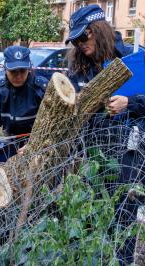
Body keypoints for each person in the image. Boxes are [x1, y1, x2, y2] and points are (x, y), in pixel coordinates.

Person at [65, 5, 145, 265]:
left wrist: (129, 103)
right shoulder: (80, 68)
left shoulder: (136, 58)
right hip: (94, 154)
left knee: (124, 215)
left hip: (131, 155)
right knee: (93, 214)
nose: (79, 44)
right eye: (75, 40)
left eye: (83, 37)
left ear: (97, 30)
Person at [0, 45, 48, 162]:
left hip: (38, 143)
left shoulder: (41, 88)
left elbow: (52, 124)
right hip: (9, 141)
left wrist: (35, 144)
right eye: (13, 71)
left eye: (22, 71)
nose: (18, 76)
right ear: (5, 69)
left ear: (29, 68)